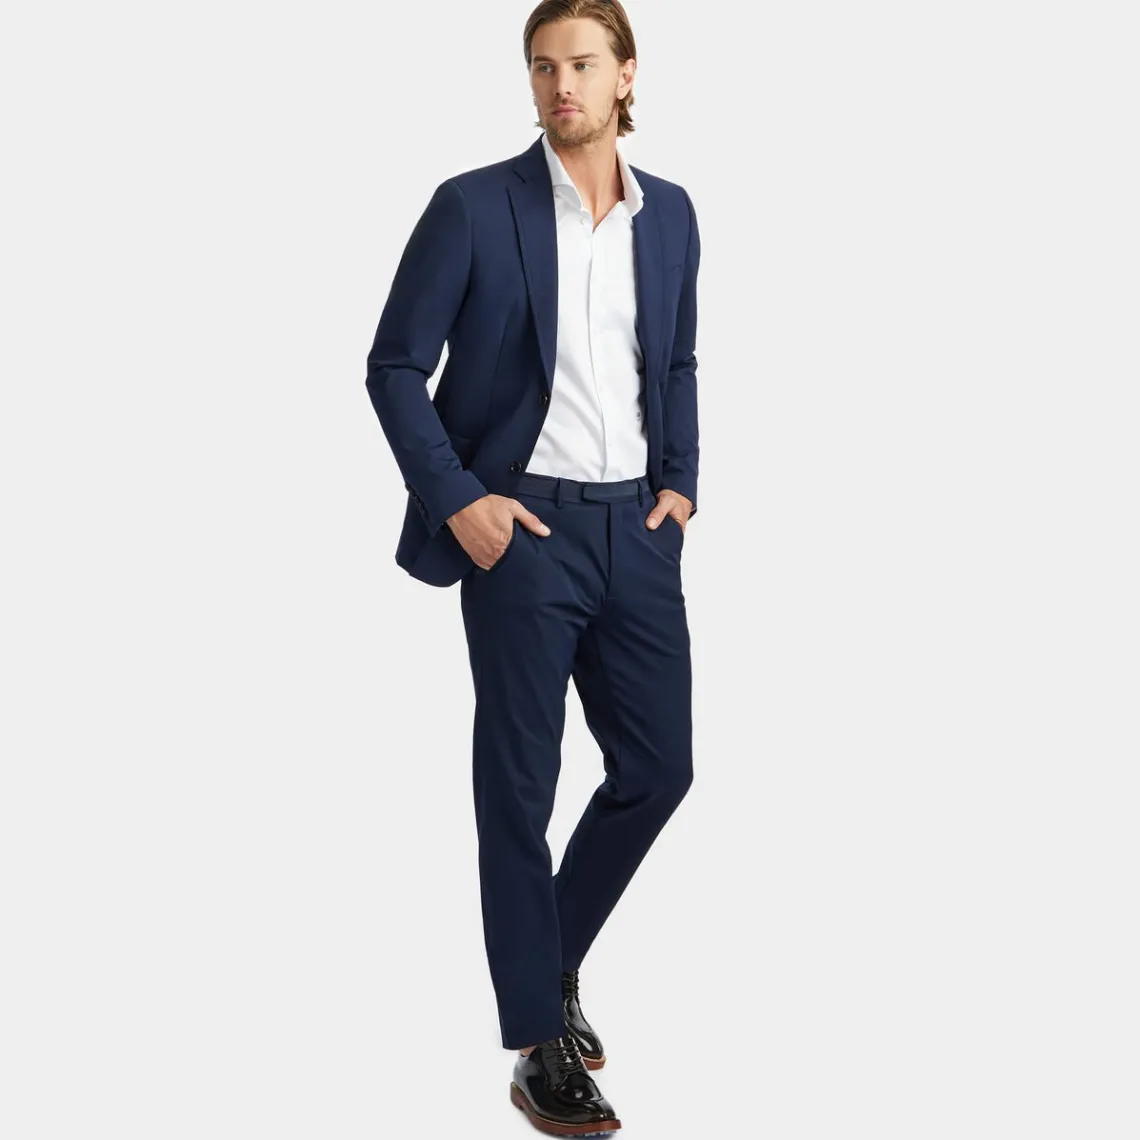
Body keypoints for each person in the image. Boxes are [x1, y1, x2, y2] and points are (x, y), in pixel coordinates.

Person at [364, 2, 699, 1133]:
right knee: (519, 786)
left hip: (636, 531)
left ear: (626, 76)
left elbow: (676, 358)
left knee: (658, 768)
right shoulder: (473, 206)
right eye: (544, 67)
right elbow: (395, 366)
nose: (562, 85)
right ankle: (533, 1044)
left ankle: (546, 960)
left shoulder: (672, 213)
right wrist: (459, 500)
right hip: (522, 533)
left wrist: (682, 482)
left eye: (583, 64)